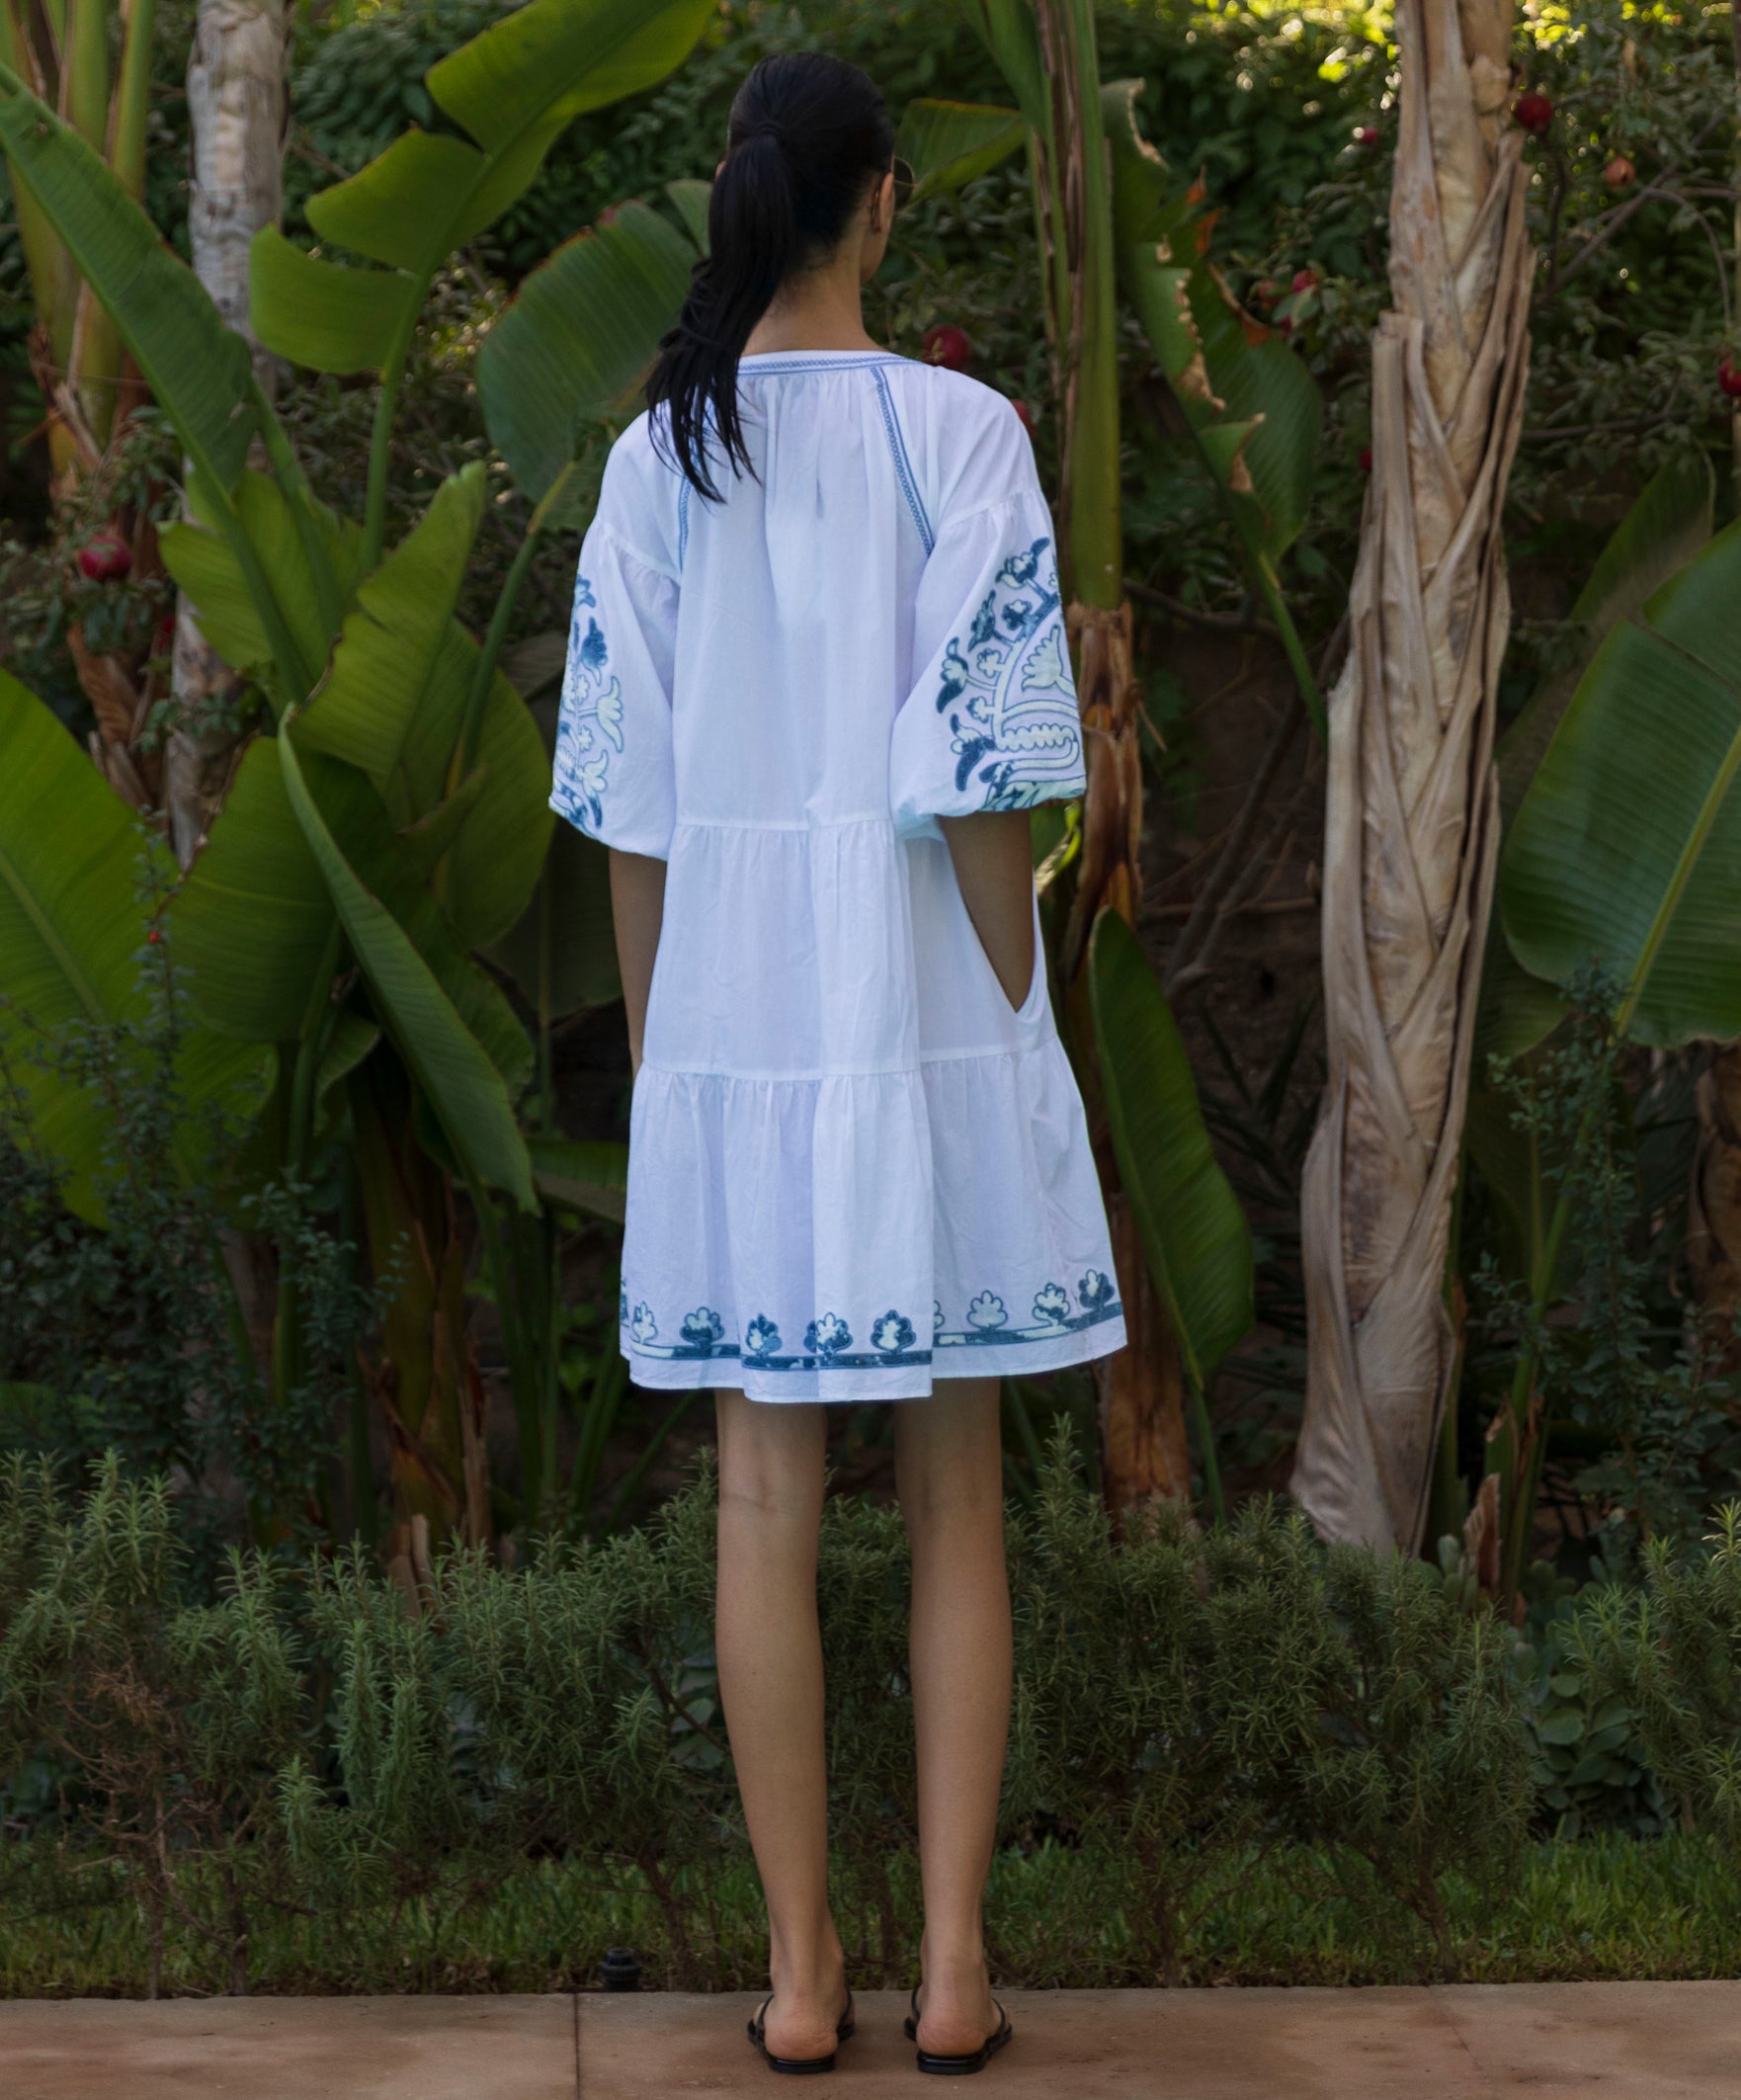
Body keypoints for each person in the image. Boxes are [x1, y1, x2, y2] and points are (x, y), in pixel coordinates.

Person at [550, 49, 1125, 2078]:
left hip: (728, 1024)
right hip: (924, 1012)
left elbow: (622, 818)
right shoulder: (960, 437)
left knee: (760, 1494)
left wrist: (667, 1047)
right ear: (882, 206)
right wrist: (1007, 1009)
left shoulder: (651, 467)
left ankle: (801, 1982)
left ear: (742, 201)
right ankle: (954, 1973)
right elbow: (987, 781)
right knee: (955, 1487)